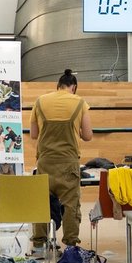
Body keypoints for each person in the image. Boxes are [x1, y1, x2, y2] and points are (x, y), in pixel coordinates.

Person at [31, 69, 95, 251]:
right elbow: (88, 136)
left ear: (57, 86)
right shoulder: (80, 103)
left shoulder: (40, 102)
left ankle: (39, 243)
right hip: (68, 164)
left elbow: (34, 135)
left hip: (45, 163)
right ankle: (70, 245)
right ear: (73, 87)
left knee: (42, 204)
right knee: (70, 206)